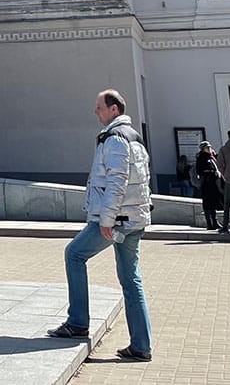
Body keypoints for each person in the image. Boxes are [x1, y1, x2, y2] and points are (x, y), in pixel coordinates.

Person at [46, 89, 154, 362]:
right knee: (131, 280)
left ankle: (78, 322)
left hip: (116, 220)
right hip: (134, 219)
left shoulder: (115, 139)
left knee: (74, 254)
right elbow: (142, 180)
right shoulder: (135, 138)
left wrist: (106, 220)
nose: (96, 112)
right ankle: (141, 345)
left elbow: (116, 182)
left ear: (114, 109)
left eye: (99, 107)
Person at [195, 140, 222, 229]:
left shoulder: (211, 157)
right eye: (207, 148)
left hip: (213, 182)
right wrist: (209, 172)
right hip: (206, 182)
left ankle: (215, 221)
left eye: (209, 147)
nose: (209, 149)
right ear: (203, 149)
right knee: (207, 203)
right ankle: (209, 223)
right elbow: (199, 170)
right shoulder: (201, 158)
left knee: (213, 203)